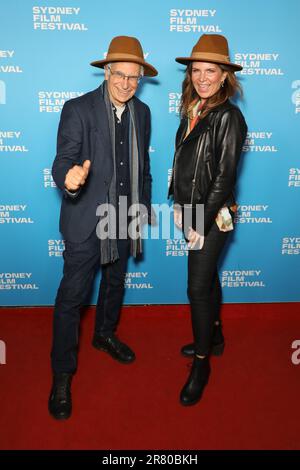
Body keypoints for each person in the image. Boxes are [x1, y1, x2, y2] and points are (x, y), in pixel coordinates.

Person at [49, 36, 158, 420]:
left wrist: (142, 207)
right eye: (120, 76)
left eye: (134, 77)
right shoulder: (77, 109)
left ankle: (105, 334)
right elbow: (62, 160)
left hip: (124, 218)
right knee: (71, 299)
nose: (127, 84)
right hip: (86, 220)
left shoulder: (142, 113)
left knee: (115, 282)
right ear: (107, 72)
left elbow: (143, 168)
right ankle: (62, 374)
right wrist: (69, 178)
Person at [168, 34, 247, 406]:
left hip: (213, 215)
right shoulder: (193, 108)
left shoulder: (229, 116)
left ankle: (202, 363)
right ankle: (213, 338)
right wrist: (178, 201)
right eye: (196, 71)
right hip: (193, 209)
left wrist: (198, 217)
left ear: (224, 76)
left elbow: (224, 176)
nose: (202, 77)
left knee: (197, 288)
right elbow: (184, 162)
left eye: (210, 71)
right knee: (208, 277)